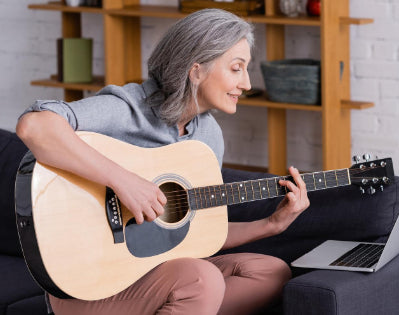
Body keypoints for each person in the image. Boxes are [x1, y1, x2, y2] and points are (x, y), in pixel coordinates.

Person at [16, 8, 310, 315]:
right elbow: (34, 126)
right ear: (196, 71)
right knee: (202, 279)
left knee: (270, 272)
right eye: (237, 68)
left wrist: (270, 225)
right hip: (86, 283)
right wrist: (123, 181)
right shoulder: (128, 109)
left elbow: (197, 232)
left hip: (154, 273)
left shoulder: (208, 137)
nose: (247, 83)